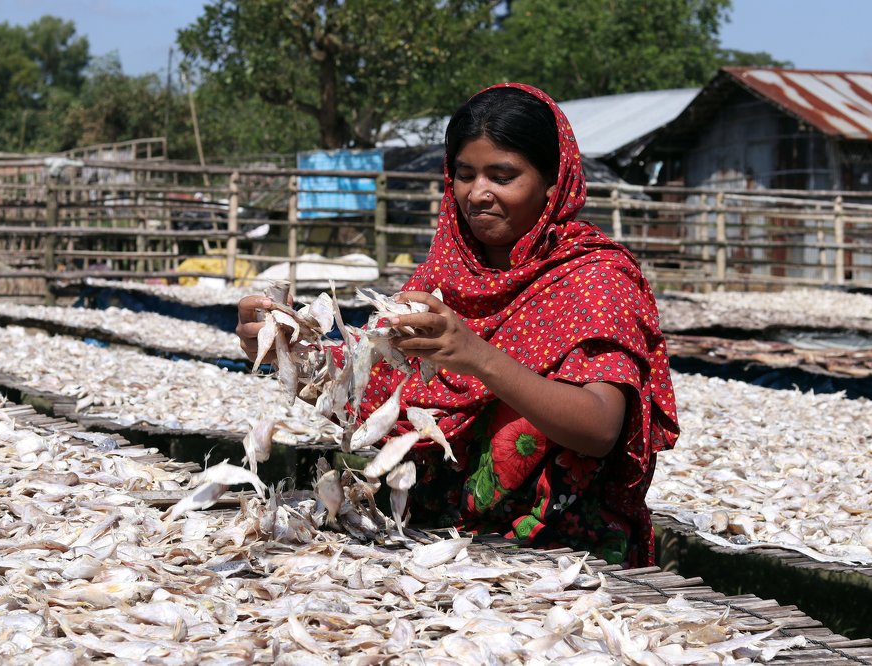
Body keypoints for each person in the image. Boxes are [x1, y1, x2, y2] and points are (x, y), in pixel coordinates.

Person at [238, 83, 678, 567]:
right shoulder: (444, 274)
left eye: (503, 175)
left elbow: (599, 427)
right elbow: (375, 385)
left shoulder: (594, 279)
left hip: (566, 558)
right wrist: (288, 348)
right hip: (434, 548)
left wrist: (478, 356)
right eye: (465, 175)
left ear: (555, 181)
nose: (478, 193)